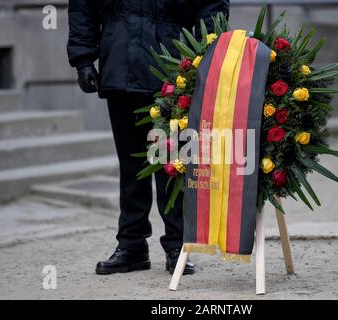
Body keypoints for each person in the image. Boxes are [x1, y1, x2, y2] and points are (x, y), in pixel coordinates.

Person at [67, 0, 230, 275]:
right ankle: (132, 247)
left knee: (173, 165)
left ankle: (178, 245)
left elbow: (211, 6)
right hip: (121, 63)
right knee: (132, 166)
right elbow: (83, 5)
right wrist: (82, 59)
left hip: (173, 68)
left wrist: (207, 54)